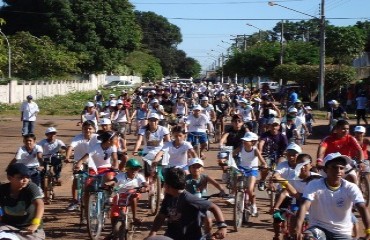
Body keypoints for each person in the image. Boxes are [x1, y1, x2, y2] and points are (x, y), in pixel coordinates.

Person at [295, 153, 370, 240]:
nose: (338, 171)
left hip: (342, 232)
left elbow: (362, 207)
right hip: (318, 228)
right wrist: (298, 228)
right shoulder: (314, 184)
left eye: (341, 168)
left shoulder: (351, 187)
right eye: (334, 167)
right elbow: (304, 205)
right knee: (309, 238)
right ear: (326, 169)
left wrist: (368, 231)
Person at [146, 167, 227, 240]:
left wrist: (222, 227)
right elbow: (161, 216)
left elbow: (214, 207)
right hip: (171, 236)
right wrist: (152, 233)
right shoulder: (169, 197)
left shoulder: (189, 199)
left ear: (167, 186)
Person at [0, 163, 45, 240]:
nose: (25, 180)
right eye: (21, 177)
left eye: (27, 177)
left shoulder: (31, 187)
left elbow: (39, 204)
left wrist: (35, 223)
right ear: (9, 178)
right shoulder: (2, 189)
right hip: (8, 226)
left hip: (29, 228)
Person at [185, 158, 226, 238]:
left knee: (208, 221)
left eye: (198, 167)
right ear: (189, 168)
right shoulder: (186, 178)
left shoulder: (205, 177)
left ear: (202, 169)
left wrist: (222, 190)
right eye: (193, 167)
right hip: (190, 203)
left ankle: (207, 235)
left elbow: (217, 184)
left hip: (203, 202)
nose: (196, 169)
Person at [105, 158, 148, 231]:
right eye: (132, 169)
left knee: (134, 196)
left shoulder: (139, 177)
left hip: (133, 195)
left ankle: (135, 217)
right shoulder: (121, 176)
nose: (134, 171)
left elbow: (146, 185)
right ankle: (114, 230)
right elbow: (114, 181)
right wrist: (107, 184)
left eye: (137, 169)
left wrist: (145, 188)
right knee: (114, 213)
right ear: (127, 169)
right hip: (121, 196)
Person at [65, 120, 98, 211]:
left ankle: (94, 199)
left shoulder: (97, 138)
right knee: (76, 179)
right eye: (85, 128)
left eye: (90, 128)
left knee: (95, 181)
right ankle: (75, 201)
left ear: (94, 129)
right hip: (79, 162)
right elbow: (71, 147)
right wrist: (67, 157)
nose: (88, 130)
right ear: (82, 129)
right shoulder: (78, 137)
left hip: (94, 163)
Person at [233, 132, 267, 215]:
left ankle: (253, 205)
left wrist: (264, 165)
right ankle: (235, 197)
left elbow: (263, 161)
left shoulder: (255, 150)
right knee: (235, 183)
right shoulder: (241, 147)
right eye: (244, 140)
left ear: (253, 142)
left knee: (250, 190)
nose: (244, 142)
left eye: (247, 141)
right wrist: (227, 160)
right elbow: (232, 154)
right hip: (242, 168)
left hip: (253, 170)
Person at [258, 118, 288, 191]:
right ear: (269, 126)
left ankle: (284, 187)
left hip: (279, 155)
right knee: (265, 167)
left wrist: (283, 154)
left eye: (276, 125)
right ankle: (262, 180)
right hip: (267, 155)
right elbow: (261, 143)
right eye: (272, 125)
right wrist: (260, 151)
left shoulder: (282, 136)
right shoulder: (265, 135)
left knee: (282, 167)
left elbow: (286, 147)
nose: (274, 127)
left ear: (279, 126)